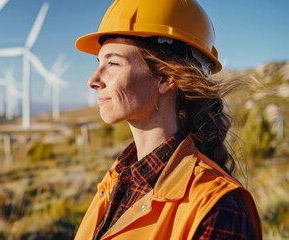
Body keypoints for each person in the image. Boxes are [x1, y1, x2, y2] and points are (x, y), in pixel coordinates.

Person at [74, 0, 262, 239]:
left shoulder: (219, 207)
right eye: (98, 63)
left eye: (112, 63)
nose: (93, 80)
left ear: (166, 78)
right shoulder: (117, 179)